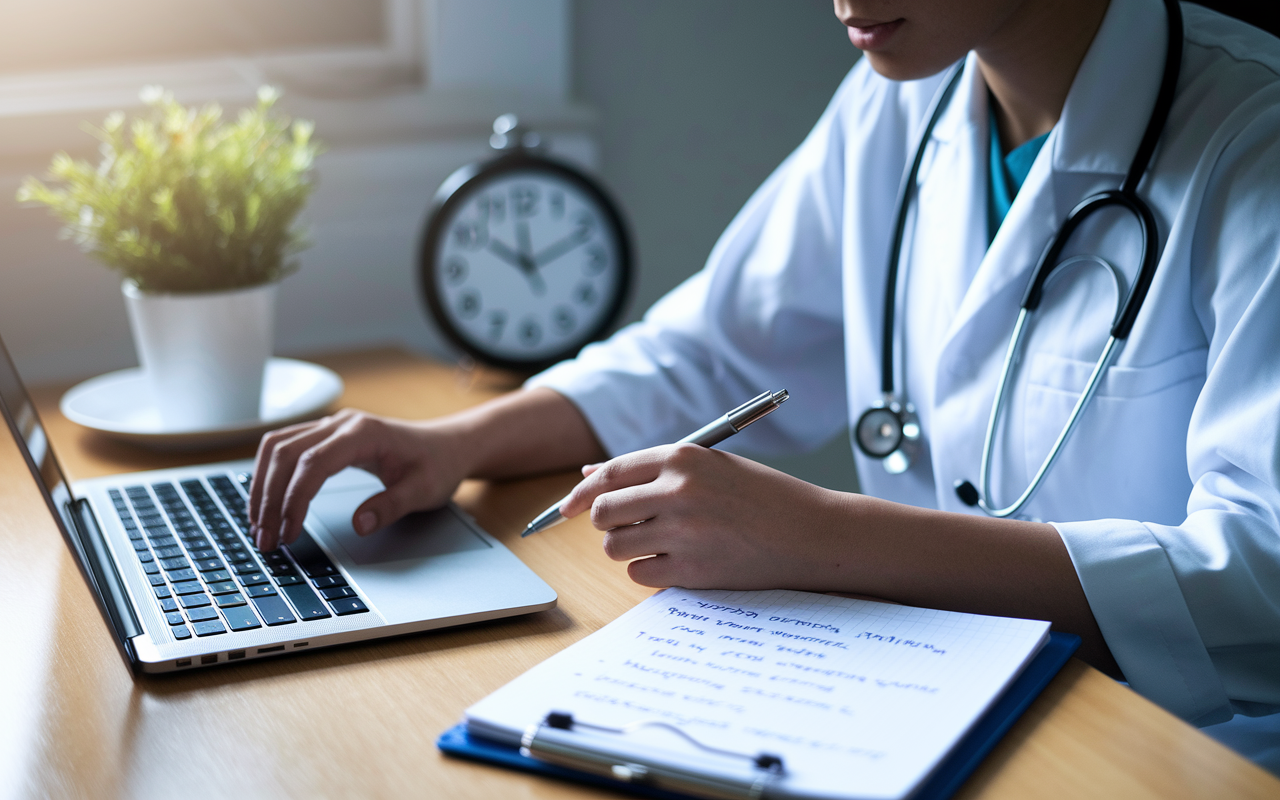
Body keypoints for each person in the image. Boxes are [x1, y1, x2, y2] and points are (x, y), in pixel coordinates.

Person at [250, 0, 1280, 770]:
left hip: (1173, 749)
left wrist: (818, 536)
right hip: (925, 708)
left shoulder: (1254, 138)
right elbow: (714, 347)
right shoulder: (902, 107)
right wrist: (462, 442)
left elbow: (1259, 581)